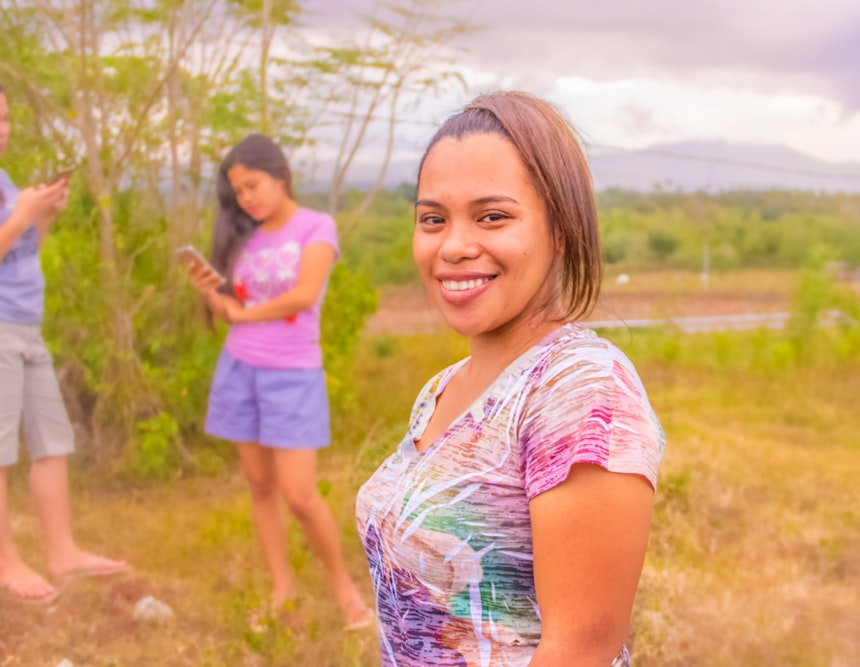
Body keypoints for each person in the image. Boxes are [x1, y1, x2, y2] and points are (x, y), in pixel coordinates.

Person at [355, 91, 667, 666]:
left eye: (492, 216)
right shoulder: (442, 389)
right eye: (432, 219)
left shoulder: (579, 390)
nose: (453, 246)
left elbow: (580, 651)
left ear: (561, 230)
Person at [185, 133, 372, 630]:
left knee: (299, 494)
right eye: (238, 192)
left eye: (254, 185)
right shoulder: (243, 235)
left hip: (292, 376)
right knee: (260, 485)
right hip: (240, 369)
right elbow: (227, 309)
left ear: (281, 174)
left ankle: (345, 593)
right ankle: (281, 589)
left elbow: (304, 296)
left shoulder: (317, 226)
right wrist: (212, 297)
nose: (247, 198)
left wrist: (242, 314)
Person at [0, 83, 129, 605]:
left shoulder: (6, 181)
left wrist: (42, 217)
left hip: (26, 327)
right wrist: (22, 216)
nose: (3, 129)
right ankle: (7, 562)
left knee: (52, 442)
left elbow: (22, 252)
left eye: (6, 119)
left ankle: (63, 551)